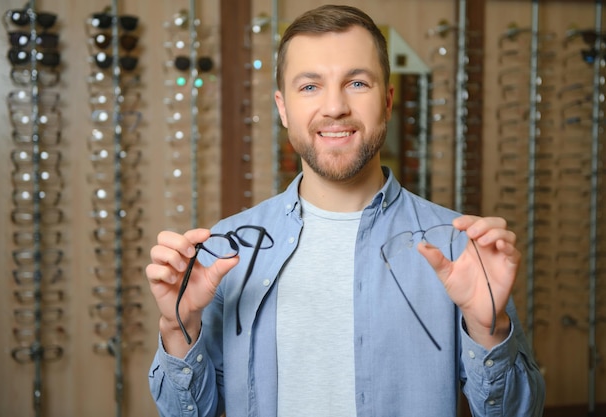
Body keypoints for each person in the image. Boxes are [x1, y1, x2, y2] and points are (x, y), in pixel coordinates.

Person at [146, 4, 545, 416]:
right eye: (310, 87)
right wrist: (178, 327)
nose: (334, 107)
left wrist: (489, 330)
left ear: (388, 100)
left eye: (357, 82)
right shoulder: (224, 251)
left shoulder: (460, 247)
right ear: (283, 109)